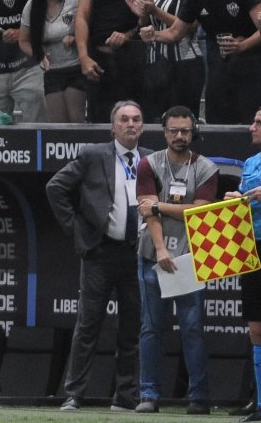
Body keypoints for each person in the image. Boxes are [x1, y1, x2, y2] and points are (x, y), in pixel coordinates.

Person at [45, 101, 150, 413]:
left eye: (136, 119)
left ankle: (126, 396)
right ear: (112, 126)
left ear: (142, 126)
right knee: (88, 325)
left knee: (132, 327)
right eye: (124, 120)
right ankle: (74, 394)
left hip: (138, 253)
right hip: (100, 251)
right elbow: (56, 188)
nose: (130, 124)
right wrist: (77, 230)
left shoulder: (150, 160)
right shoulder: (94, 155)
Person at [133, 106, 216, 415]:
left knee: (192, 327)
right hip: (153, 255)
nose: (180, 136)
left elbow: (199, 211)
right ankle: (149, 394)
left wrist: (158, 206)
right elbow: (146, 211)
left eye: (185, 130)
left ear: (193, 131)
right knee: (151, 327)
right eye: (173, 130)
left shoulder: (206, 167)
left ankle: (199, 397)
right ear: (164, 131)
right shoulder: (148, 164)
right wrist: (160, 249)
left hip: (191, 256)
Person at [226, 103, 261, 423]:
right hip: (249, 248)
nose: (252, 127)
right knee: (258, 329)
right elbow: (247, 198)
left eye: (259, 123)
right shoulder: (250, 162)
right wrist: (237, 197)